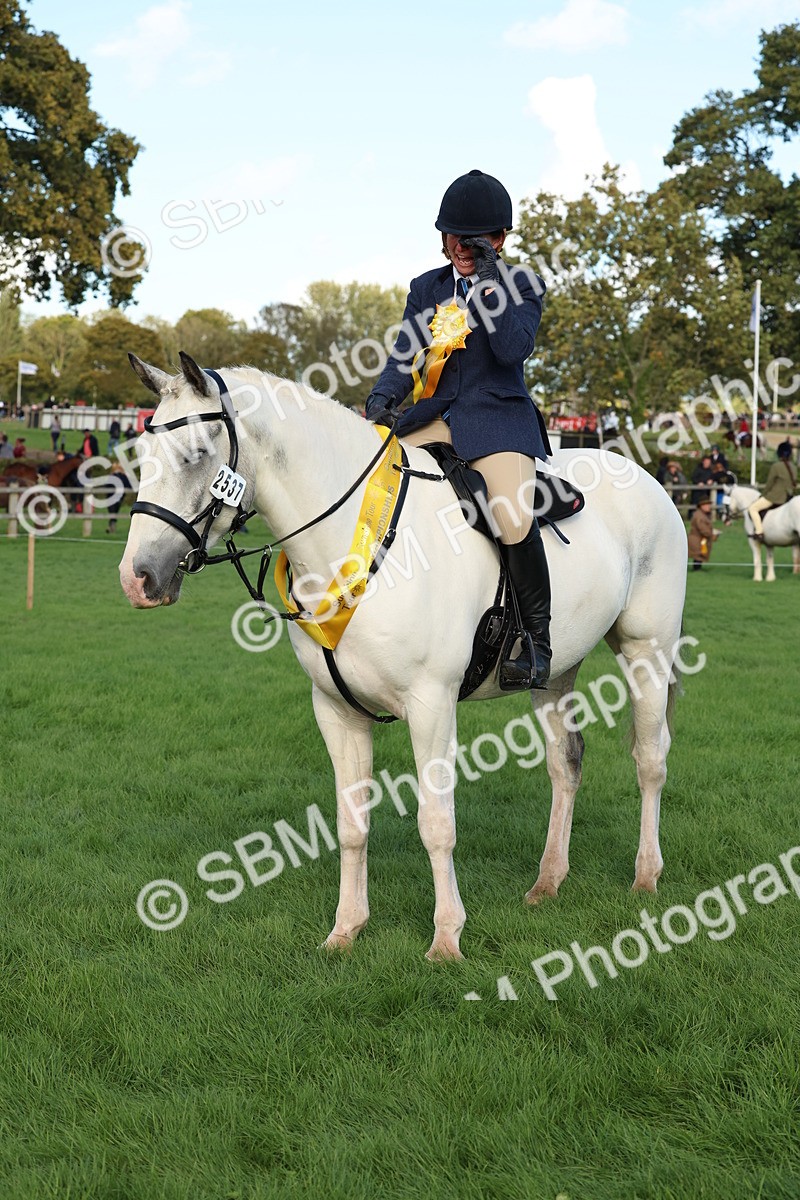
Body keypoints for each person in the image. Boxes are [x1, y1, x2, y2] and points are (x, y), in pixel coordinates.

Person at [364, 168, 552, 690]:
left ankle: (535, 641)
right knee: (370, 481)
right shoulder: (427, 287)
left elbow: (514, 349)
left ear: (498, 239)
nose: (458, 247)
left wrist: (489, 280)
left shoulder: (522, 284)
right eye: (450, 236)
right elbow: (405, 356)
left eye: (471, 239)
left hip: (498, 421)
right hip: (432, 419)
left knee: (513, 516)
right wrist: (382, 398)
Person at [747, 443, 797, 539]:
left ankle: (759, 531)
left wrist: (763, 494)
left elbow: (769, 484)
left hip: (775, 497)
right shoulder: (793, 467)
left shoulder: (776, 466)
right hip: (788, 496)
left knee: (752, 508)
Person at [688, 498, 718, 570]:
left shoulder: (702, 514)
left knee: (699, 555)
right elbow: (703, 529)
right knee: (698, 555)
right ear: (702, 506)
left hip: (700, 539)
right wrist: (711, 534)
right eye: (707, 505)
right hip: (697, 539)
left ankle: (697, 569)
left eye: (709, 505)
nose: (709, 507)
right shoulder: (699, 516)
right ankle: (697, 570)